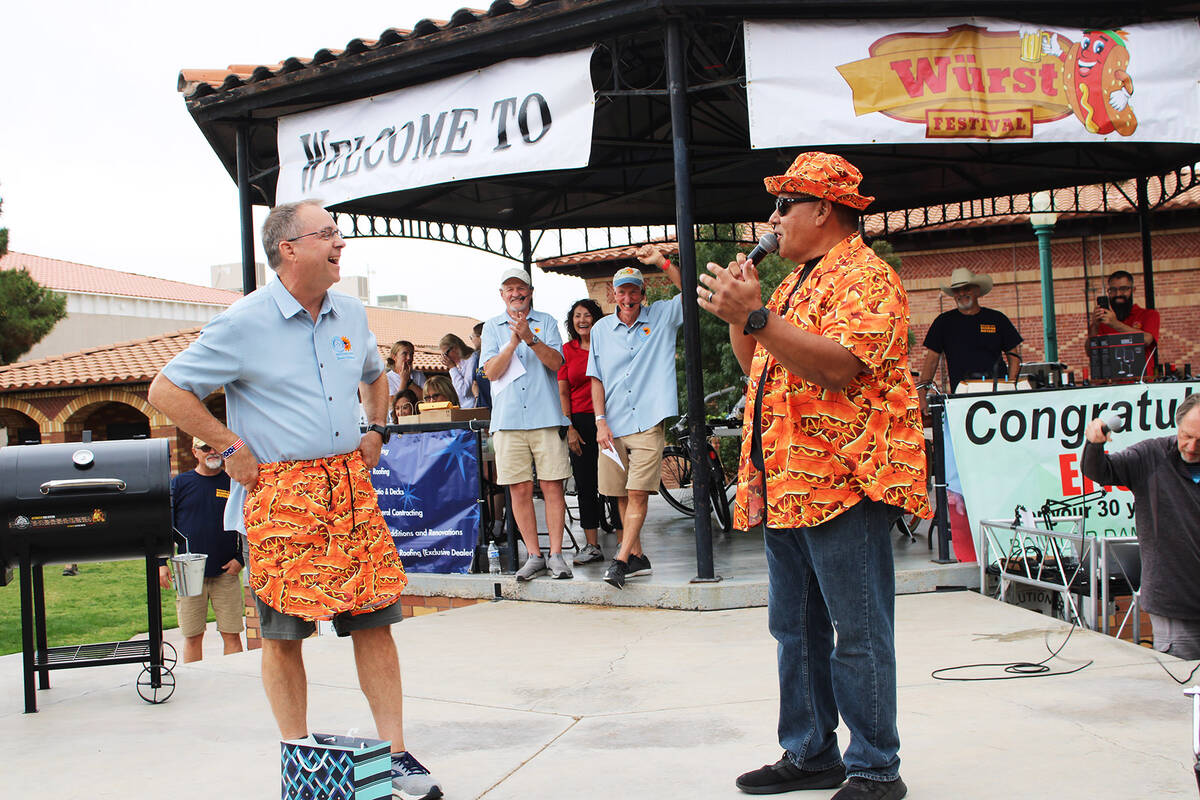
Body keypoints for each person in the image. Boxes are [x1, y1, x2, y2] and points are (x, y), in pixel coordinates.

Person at [147, 200, 441, 800]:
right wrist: (228, 446)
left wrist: (376, 429)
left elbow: (375, 375)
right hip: (281, 499)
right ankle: (300, 757)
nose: (341, 243)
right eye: (328, 233)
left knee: (375, 621)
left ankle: (397, 754)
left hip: (349, 493)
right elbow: (165, 388)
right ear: (289, 248)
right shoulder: (243, 322)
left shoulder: (351, 313)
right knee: (282, 634)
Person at [698, 152, 929, 800]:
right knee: (795, 630)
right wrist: (740, 317)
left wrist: (759, 317)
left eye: (782, 206)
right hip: (788, 482)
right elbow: (757, 363)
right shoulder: (797, 280)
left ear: (821, 209)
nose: (771, 221)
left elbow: (838, 369)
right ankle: (809, 752)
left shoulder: (867, 277)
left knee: (857, 633)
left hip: (843, 484)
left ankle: (876, 767)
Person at [588, 247, 684, 588]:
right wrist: (600, 421)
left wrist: (661, 262)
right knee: (621, 494)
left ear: (643, 294)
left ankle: (620, 560)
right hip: (612, 424)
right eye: (622, 290)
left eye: (634, 290)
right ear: (613, 294)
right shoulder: (600, 330)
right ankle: (638, 557)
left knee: (638, 493)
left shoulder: (660, 317)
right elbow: (595, 378)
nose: (628, 297)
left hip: (647, 421)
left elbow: (690, 290)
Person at [1081, 393, 1200, 660]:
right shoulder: (1151, 455)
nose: (1191, 447)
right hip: (1175, 603)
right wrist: (1094, 445)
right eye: (1186, 436)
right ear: (1177, 427)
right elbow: (1101, 472)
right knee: (1182, 689)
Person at [480, 267, 573, 581]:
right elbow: (491, 372)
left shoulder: (546, 322)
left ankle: (557, 555)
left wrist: (530, 338)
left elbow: (558, 364)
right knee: (518, 489)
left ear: (530, 292)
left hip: (545, 416)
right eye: (509, 289)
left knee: (552, 486)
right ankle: (534, 556)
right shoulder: (491, 327)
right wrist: (511, 343)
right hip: (507, 422)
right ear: (502, 295)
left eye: (521, 288)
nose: (515, 293)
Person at [157, 437, 245, 663]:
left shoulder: (232, 483)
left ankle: (235, 680)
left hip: (226, 571)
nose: (212, 452)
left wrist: (239, 560)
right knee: (193, 635)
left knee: (232, 633)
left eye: (216, 447)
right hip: (189, 573)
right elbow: (163, 526)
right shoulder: (180, 484)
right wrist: (161, 564)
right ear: (195, 452)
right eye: (206, 448)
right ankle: (196, 681)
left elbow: (248, 524)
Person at [917, 267, 1022, 400]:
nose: (961, 293)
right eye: (957, 290)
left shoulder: (997, 319)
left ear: (977, 291)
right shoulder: (943, 322)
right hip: (962, 396)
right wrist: (921, 396)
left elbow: (1014, 356)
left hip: (998, 393)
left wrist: (1011, 387)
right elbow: (931, 361)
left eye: (966, 289)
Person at [557, 298, 607, 565]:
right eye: (577, 316)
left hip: (609, 421)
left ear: (597, 319)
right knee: (586, 486)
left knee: (615, 484)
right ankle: (592, 546)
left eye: (587, 315)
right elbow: (563, 391)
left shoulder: (607, 346)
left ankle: (627, 544)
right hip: (579, 423)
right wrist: (569, 428)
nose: (582, 320)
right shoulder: (566, 350)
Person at [1090, 269, 1161, 375]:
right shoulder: (1102, 320)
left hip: (1141, 382)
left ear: (1133, 290)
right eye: (1113, 290)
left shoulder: (1149, 314)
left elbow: (1146, 340)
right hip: (1109, 384)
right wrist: (1095, 325)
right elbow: (1090, 352)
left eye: (1123, 289)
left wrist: (1114, 323)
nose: (1118, 294)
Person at [439, 333, 478, 409]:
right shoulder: (459, 364)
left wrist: (452, 368)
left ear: (455, 348)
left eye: (446, 354)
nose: (446, 358)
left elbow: (464, 391)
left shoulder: (472, 359)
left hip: (472, 408)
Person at [470, 322, 492, 408]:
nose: (472, 340)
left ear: (481, 337)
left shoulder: (498, 355)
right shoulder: (477, 357)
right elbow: (474, 383)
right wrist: (477, 398)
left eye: (472, 337)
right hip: (482, 408)